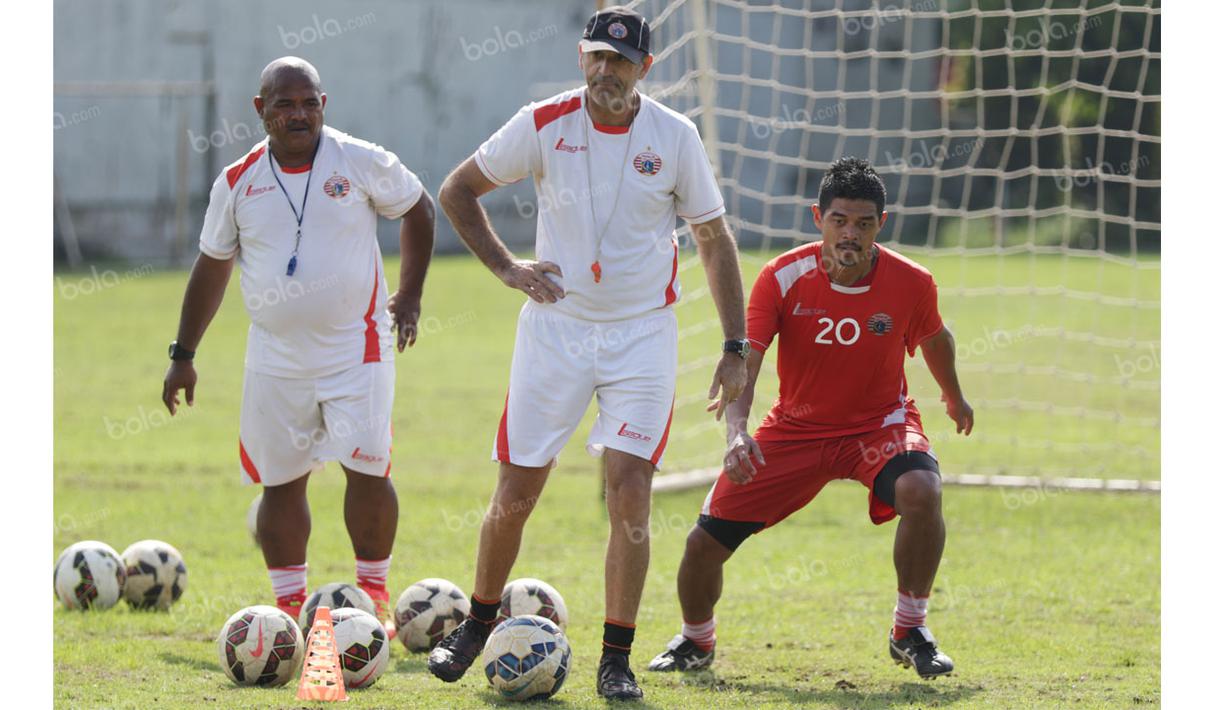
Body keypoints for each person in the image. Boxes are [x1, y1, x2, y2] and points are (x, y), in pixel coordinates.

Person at [429, 6, 747, 701]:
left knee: (629, 491)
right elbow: (456, 190)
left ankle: (616, 657)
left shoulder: (675, 136)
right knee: (516, 494)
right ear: (582, 57)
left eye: (621, 61)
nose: (607, 71)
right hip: (556, 329)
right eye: (597, 57)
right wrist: (508, 268)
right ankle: (477, 624)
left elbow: (713, 238)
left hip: (641, 334)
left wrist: (732, 346)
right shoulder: (542, 123)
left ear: (644, 70)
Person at [646, 157, 974, 680]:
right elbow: (746, 359)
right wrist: (737, 433)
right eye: (839, 220)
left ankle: (909, 629)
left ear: (880, 225)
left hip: (879, 426)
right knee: (701, 546)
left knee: (922, 489)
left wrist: (953, 396)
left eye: (864, 224)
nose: (851, 234)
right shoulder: (781, 277)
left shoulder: (912, 282)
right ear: (816, 217)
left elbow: (935, 337)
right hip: (795, 432)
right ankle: (695, 639)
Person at [160, 57, 435, 633]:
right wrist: (183, 356)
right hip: (275, 357)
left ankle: (374, 596)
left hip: (355, 347)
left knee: (367, 467)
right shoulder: (237, 182)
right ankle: (288, 610)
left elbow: (418, 207)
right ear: (260, 111)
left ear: (323, 105)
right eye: (284, 104)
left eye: (309, 102)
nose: (299, 114)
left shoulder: (359, 160)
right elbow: (211, 269)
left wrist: (407, 297)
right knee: (280, 480)